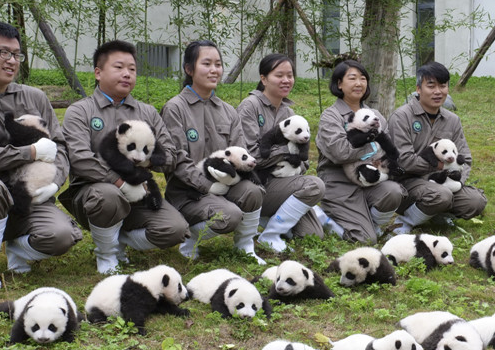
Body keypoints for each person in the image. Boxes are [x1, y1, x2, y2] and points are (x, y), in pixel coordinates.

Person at [0, 20, 82, 291]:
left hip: (30, 197)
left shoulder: (35, 98)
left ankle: (18, 248)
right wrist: (31, 151)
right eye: (3, 52)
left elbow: (60, 148)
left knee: (62, 236)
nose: (12, 61)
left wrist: (55, 181)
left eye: (16, 54)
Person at [59, 40, 189, 273]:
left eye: (132, 69)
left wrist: (144, 160)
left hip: (140, 192)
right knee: (109, 195)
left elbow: (170, 155)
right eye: (119, 67)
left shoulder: (147, 112)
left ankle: (118, 238)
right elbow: (80, 159)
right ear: (98, 73)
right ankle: (107, 254)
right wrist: (119, 181)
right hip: (94, 193)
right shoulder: (80, 111)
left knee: (175, 230)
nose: (127, 74)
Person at [161, 40, 266, 264]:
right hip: (189, 193)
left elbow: (241, 155)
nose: (214, 70)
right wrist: (207, 186)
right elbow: (178, 161)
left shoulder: (228, 111)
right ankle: (188, 239)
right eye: (206, 63)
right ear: (189, 69)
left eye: (217, 64)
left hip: (225, 187)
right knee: (230, 215)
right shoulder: (175, 108)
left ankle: (245, 245)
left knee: (254, 192)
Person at [236, 53, 324, 252]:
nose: (286, 80)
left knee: (311, 234)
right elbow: (251, 157)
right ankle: (270, 235)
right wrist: (286, 152)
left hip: (284, 180)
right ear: (264, 78)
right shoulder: (250, 107)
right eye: (279, 75)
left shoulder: (288, 112)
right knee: (315, 185)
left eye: (290, 75)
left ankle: (268, 219)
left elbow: (303, 159)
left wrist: (296, 162)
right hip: (257, 183)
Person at [388, 61, 487, 233]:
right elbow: (403, 160)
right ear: (419, 89)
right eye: (431, 86)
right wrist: (440, 166)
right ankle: (405, 222)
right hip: (407, 183)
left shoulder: (452, 120)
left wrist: (455, 181)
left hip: (444, 182)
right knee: (441, 195)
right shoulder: (401, 117)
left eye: (443, 86)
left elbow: (465, 159)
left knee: (476, 201)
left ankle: (433, 213)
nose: (437, 92)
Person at [315, 60, 406, 243]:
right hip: (340, 183)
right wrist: (373, 142)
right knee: (365, 239)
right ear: (339, 84)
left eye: (363, 78)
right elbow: (341, 152)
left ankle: (369, 223)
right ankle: (325, 218)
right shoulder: (330, 116)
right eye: (352, 78)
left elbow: (388, 148)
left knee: (394, 192)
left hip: (371, 177)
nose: (359, 83)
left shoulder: (375, 114)